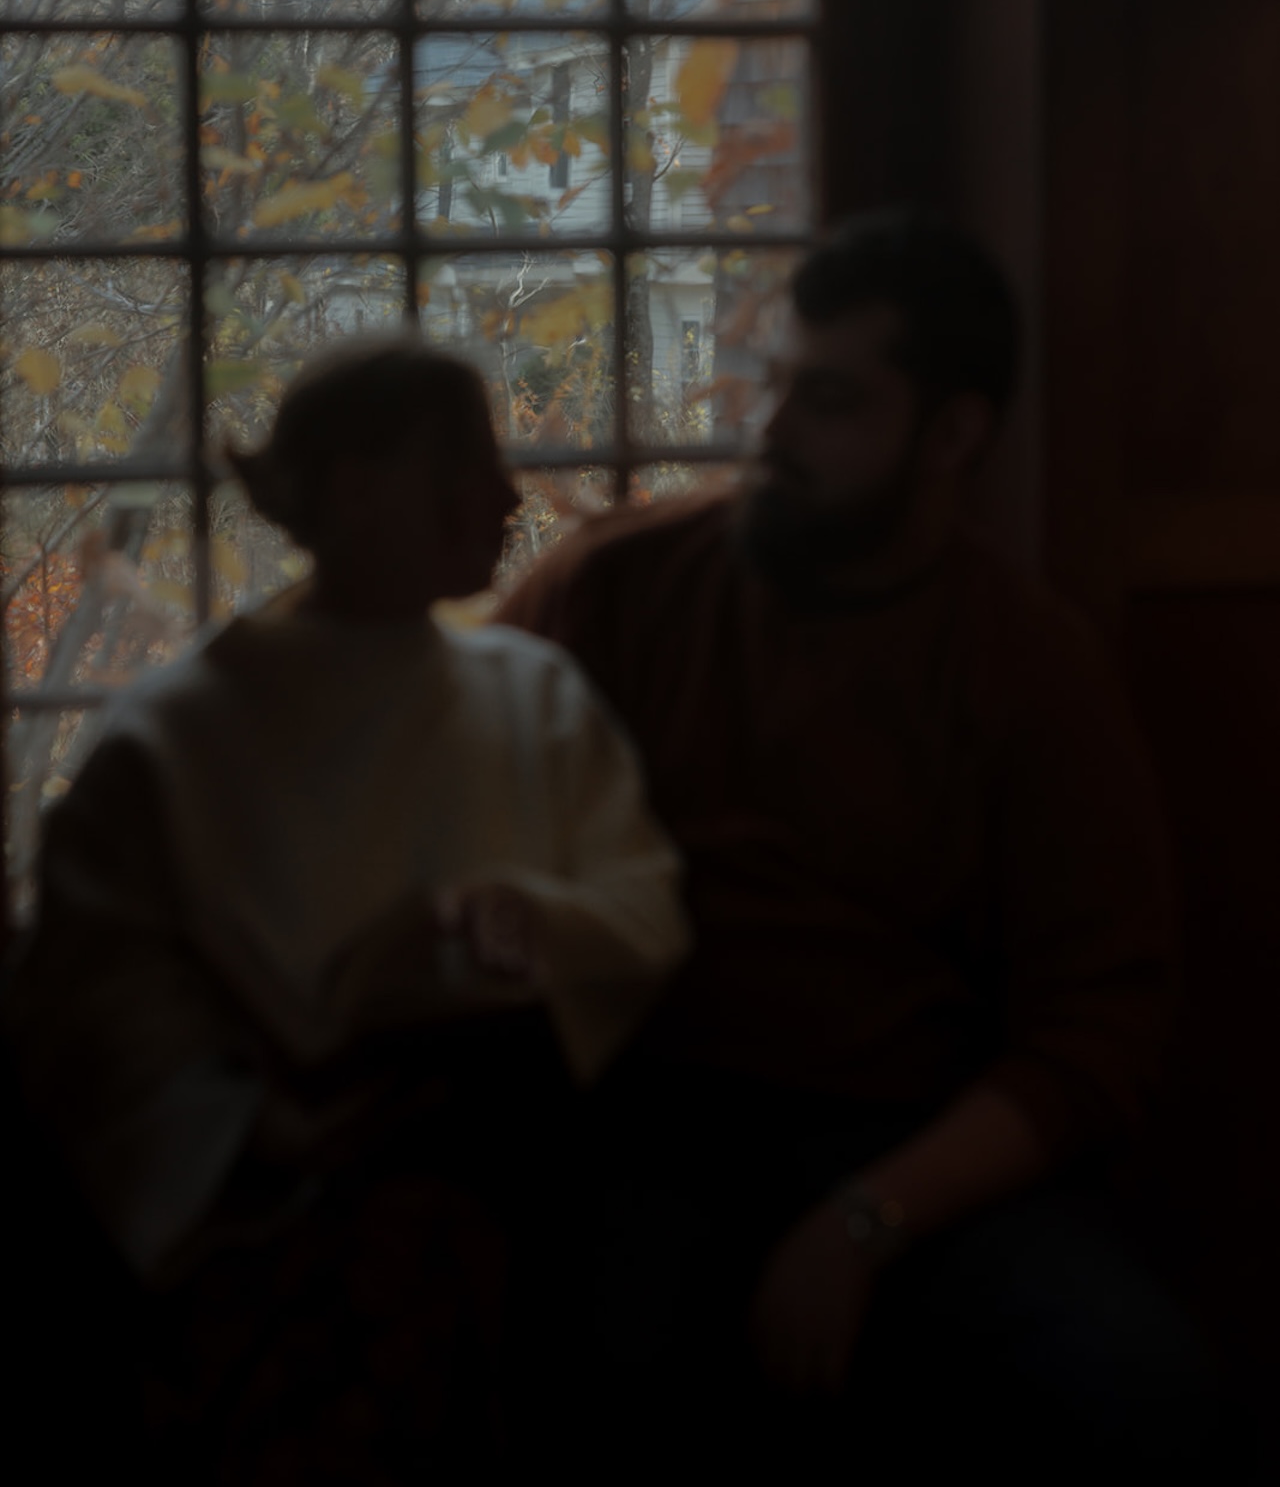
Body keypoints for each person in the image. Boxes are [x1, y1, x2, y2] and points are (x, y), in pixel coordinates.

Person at [500, 207, 1222, 1482]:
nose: (768, 434)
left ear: (953, 434)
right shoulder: (616, 589)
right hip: (641, 1118)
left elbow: (1098, 1025)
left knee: (1146, 1396)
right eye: (772, 385)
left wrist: (863, 1223)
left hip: (915, 1138)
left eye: (826, 402)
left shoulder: (1028, 665)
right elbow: (453, 796)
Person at [2, 333, 690, 1480]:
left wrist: (529, 917)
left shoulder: (536, 696)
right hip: (255, 1199)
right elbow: (94, 1004)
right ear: (356, 491)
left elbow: (644, 908)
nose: (509, 493)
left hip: (526, 1170)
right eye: (466, 463)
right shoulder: (178, 737)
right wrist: (247, 1131)